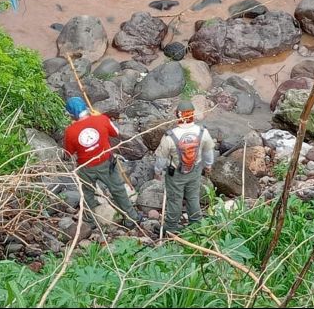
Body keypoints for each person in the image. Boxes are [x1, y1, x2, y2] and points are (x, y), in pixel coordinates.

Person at [63, 97, 141, 229]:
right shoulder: (101, 119)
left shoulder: (70, 131)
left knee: (86, 193)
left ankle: (89, 221)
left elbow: (68, 154)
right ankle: (131, 218)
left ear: (72, 114)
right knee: (118, 190)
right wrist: (102, 118)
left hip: (86, 167)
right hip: (106, 162)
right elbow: (116, 133)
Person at [154, 100, 215, 235]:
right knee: (193, 197)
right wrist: (208, 165)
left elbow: (161, 159)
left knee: (175, 199)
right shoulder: (202, 132)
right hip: (195, 170)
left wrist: (157, 171)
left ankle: (171, 227)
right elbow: (208, 152)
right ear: (192, 115)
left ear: (178, 115)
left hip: (175, 174)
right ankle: (197, 224)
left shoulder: (170, 136)